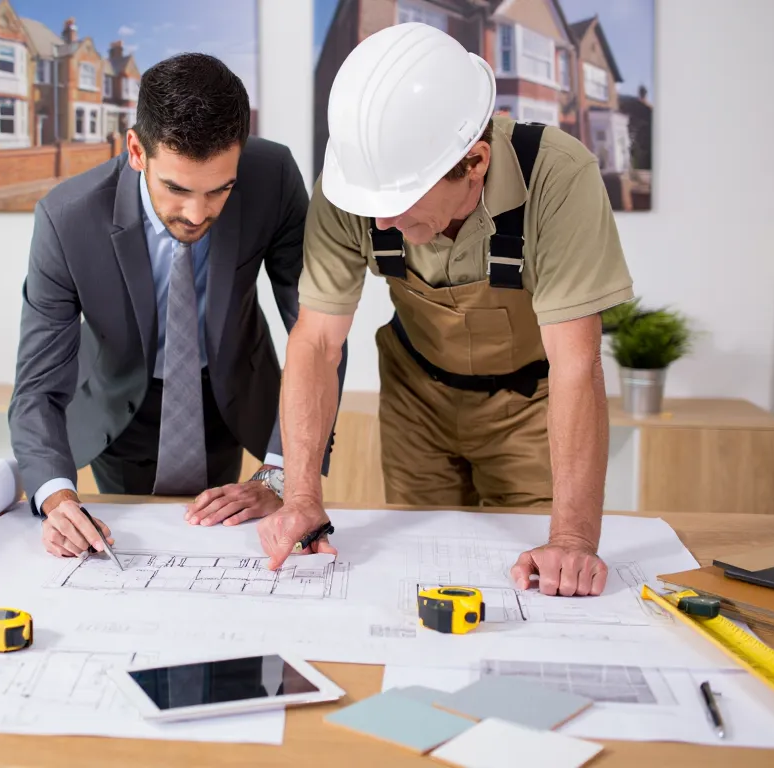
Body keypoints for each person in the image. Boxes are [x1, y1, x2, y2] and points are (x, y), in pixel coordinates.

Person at [258, 24, 633, 597]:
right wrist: (302, 495)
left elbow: (576, 365)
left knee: (541, 587)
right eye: (371, 204)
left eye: (397, 202)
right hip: (417, 401)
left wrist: (575, 539)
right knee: (424, 572)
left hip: (530, 408)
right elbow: (316, 342)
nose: (378, 223)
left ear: (475, 161)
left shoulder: (558, 177)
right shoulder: (354, 188)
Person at [9, 53, 342, 557]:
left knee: (226, 548)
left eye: (219, 190)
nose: (197, 212)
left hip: (232, 396)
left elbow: (319, 331)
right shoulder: (67, 218)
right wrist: (56, 499)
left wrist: (280, 477)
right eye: (177, 188)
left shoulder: (271, 178)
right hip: (119, 408)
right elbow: (36, 385)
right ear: (137, 150)